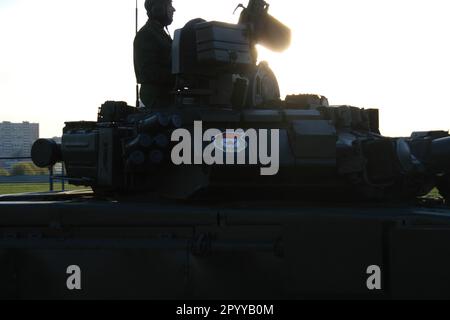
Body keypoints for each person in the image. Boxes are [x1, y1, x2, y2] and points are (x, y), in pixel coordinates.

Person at [134, 0, 176, 109]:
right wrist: (178, 77)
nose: (173, 9)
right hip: (157, 99)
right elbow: (149, 72)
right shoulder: (146, 34)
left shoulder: (160, 33)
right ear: (158, 8)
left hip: (166, 96)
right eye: (169, 5)